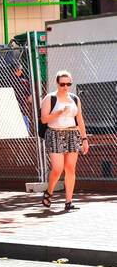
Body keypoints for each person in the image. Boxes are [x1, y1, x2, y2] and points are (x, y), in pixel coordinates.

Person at [41, 69, 88, 212]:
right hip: (54, 134)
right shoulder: (50, 98)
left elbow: (79, 119)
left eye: (68, 84)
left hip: (72, 134)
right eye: (62, 84)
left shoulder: (74, 99)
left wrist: (84, 139)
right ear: (57, 83)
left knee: (70, 168)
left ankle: (68, 201)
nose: (65, 87)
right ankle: (49, 191)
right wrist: (59, 112)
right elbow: (44, 119)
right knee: (58, 168)